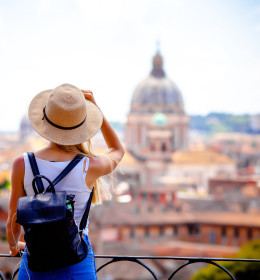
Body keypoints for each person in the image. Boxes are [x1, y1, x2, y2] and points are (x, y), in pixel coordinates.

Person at [6, 84, 124, 280]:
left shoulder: (22, 163)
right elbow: (117, 150)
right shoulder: (89, 165)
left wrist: (12, 247)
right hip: (77, 262)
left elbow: (13, 221)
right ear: (83, 124)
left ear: (45, 120)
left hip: (34, 263)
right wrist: (97, 110)